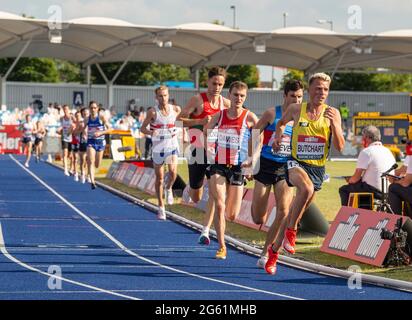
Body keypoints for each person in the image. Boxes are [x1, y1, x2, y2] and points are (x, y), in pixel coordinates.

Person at [265, 72, 345, 275]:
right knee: (306, 188)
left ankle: (273, 252)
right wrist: (277, 137)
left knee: (293, 211)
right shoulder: (295, 109)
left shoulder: (333, 114)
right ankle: (292, 232)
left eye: (325, 89)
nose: (322, 92)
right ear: (309, 90)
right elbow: (281, 123)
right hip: (295, 163)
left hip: (317, 168)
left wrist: (335, 125)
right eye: (318, 88)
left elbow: (340, 146)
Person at [248, 79, 304, 269]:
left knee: (284, 211)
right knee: (258, 218)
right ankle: (258, 213)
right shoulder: (273, 113)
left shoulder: (302, 117)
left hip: (286, 167)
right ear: (285, 95)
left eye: (299, 96)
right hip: (265, 166)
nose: (296, 100)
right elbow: (255, 131)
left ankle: (266, 253)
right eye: (292, 96)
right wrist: (251, 158)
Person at [205, 81, 258, 259]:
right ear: (229, 95)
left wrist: (252, 162)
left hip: (238, 167)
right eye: (235, 95)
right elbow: (205, 131)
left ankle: (222, 233)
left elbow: (259, 138)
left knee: (232, 214)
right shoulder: (219, 116)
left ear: (245, 97)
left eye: (242, 96)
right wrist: (209, 148)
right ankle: (221, 246)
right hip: (218, 165)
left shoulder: (249, 117)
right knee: (219, 205)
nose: (238, 98)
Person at [178, 66, 230, 245]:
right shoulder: (198, 100)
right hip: (197, 150)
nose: (217, 87)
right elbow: (178, 120)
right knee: (196, 197)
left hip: (216, 153)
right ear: (207, 82)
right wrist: (199, 121)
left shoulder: (227, 104)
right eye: (214, 83)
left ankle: (205, 231)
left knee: (216, 194)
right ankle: (190, 188)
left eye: (220, 84)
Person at [140, 86, 181, 220]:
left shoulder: (176, 109)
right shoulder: (153, 112)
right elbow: (142, 129)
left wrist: (180, 132)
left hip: (172, 145)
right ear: (156, 98)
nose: (163, 98)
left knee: (173, 172)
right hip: (158, 148)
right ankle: (161, 207)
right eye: (160, 96)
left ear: (168, 95)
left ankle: (169, 189)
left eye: (165, 95)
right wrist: (151, 132)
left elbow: (180, 124)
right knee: (160, 178)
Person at [339, 125, 396, 206]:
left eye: (363, 137)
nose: (362, 139)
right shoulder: (388, 151)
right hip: (388, 191)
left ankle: (347, 215)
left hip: (373, 190)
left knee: (344, 189)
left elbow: (356, 178)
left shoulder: (367, 151)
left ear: (368, 138)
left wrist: (350, 180)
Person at [85, 101, 111, 189]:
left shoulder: (101, 117)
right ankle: (92, 181)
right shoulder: (87, 119)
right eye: (91, 108)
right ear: (89, 109)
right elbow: (82, 128)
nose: (93, 109)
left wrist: (101, 132)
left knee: (97, 164)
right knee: (91, 161)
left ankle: (92, 176)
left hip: (100, 143)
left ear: (97, 109)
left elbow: (110, 129)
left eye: (94, 108)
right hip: (91, 142)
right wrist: (83, 133)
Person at [58, 105, 74, 176]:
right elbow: (61, 127)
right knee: (65, 154)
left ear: (69, 110)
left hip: (72, 138)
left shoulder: (72, 117)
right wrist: (59, 130)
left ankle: (71, 168)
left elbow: (76, 125)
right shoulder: (61, 118)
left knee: (71, 155)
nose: (65, 110)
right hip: (64, 138)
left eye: (66, 109)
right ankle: (65, 170)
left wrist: (71, 130)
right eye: (64, 109)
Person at [70, 111, 83, 182]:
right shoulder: (73, 125)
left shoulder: (82, 123)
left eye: (79, 116)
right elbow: (74, 133)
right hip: (75, 142)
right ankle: (76, 173)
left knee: (83, 159)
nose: (78, 117)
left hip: (81, 142)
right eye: (76, 116)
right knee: (75, 158)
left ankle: (82, 173)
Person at [79, 107, 90, 184]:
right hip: (83, 141)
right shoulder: (81, 122)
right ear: (82, 114)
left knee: (89, 159)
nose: (85, 114)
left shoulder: (92, 122)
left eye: (87, 113)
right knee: (83, 159)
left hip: (90, 141)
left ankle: (88, 175)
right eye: (84, 113)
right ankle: (83, 174)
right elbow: (77, 132)